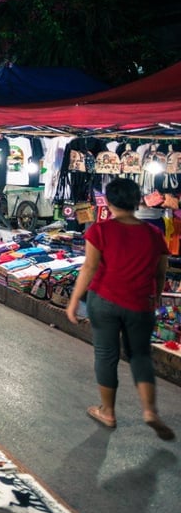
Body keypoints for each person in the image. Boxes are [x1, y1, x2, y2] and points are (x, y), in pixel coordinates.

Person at [66, 178, 175, 441]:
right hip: (140, 302)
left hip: (104, 300)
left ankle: (108, 411)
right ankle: (149, 410)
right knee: (140, 355)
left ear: (110, 202)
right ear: (137, 201)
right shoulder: (154, 234)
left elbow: (89, 268)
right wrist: (156, 297)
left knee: (106, 355)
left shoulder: (100, 230)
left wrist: (74, 301)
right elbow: (161, 273)